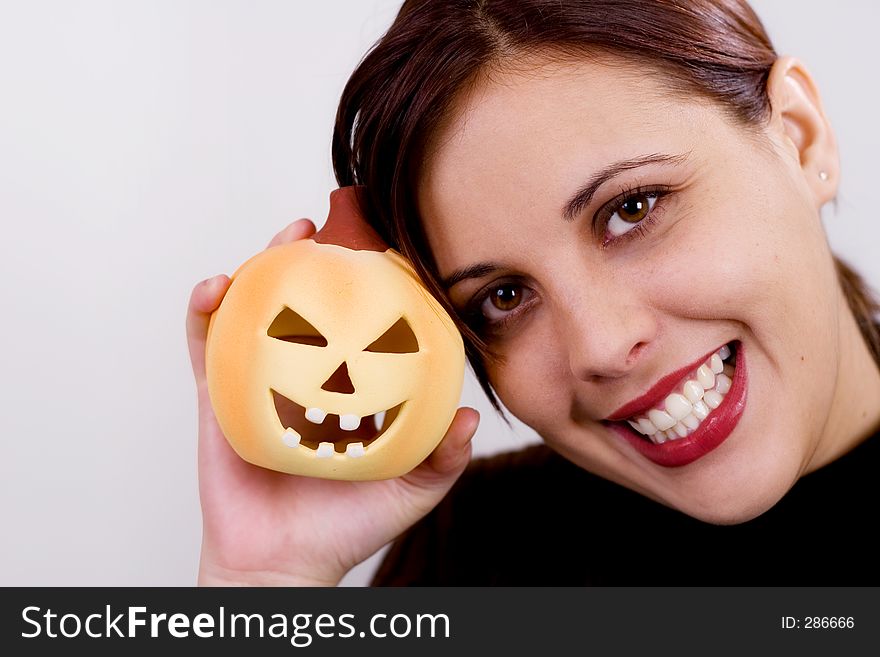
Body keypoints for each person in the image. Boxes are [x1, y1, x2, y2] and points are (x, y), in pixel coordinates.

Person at [186, 0, 880, 585]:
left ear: (800, 137)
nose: (602, 347)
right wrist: (265, 580)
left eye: (632, 208)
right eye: (505, 295)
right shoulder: (475, 552)